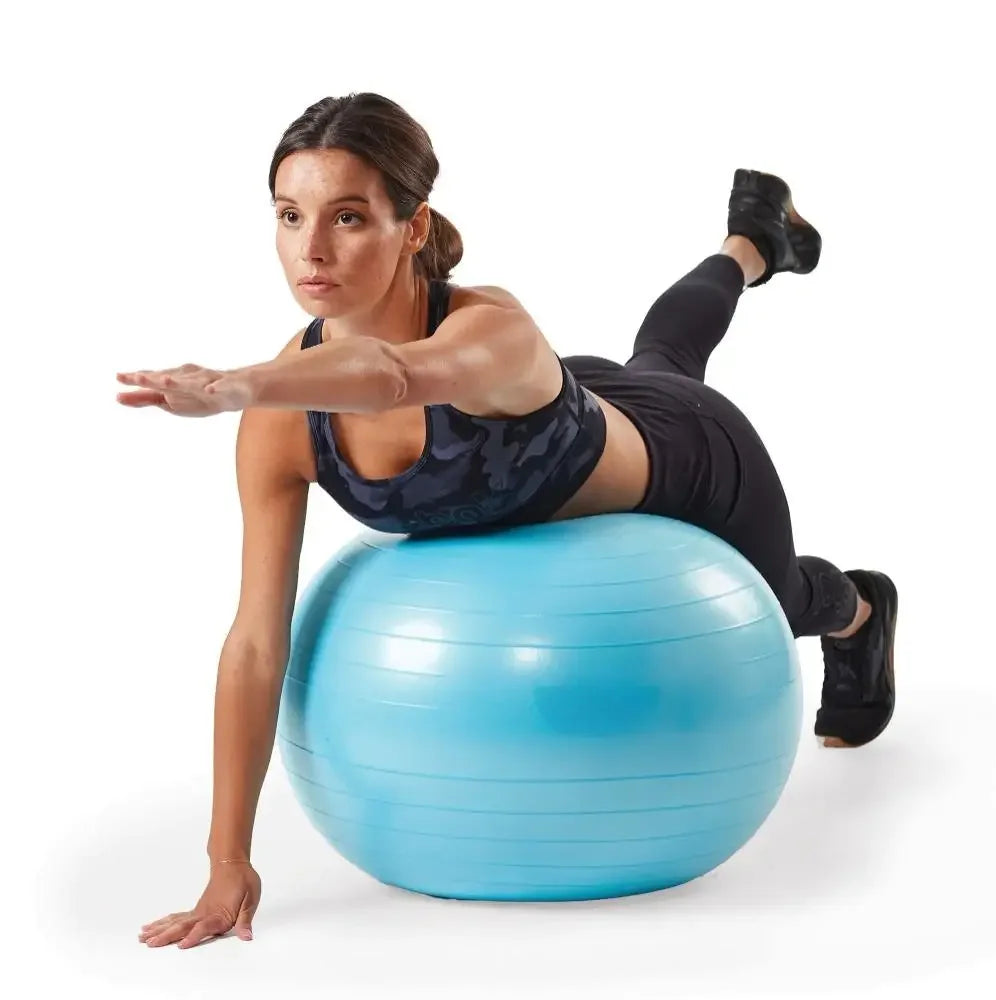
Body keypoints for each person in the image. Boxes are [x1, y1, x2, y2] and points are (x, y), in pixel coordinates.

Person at [122, 93, 897, 950]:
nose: (312, 249)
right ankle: (753, 239)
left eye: (348, 217)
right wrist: (227, 858)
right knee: (661, 355)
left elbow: (392, 377)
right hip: (576, 410)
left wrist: (236, 385)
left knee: (772, 589)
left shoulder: (489, 328)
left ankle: (861, 606)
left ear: (413, 227)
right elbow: (256, 641)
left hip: (687, 460)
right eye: (289, 215)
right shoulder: (282, 418)